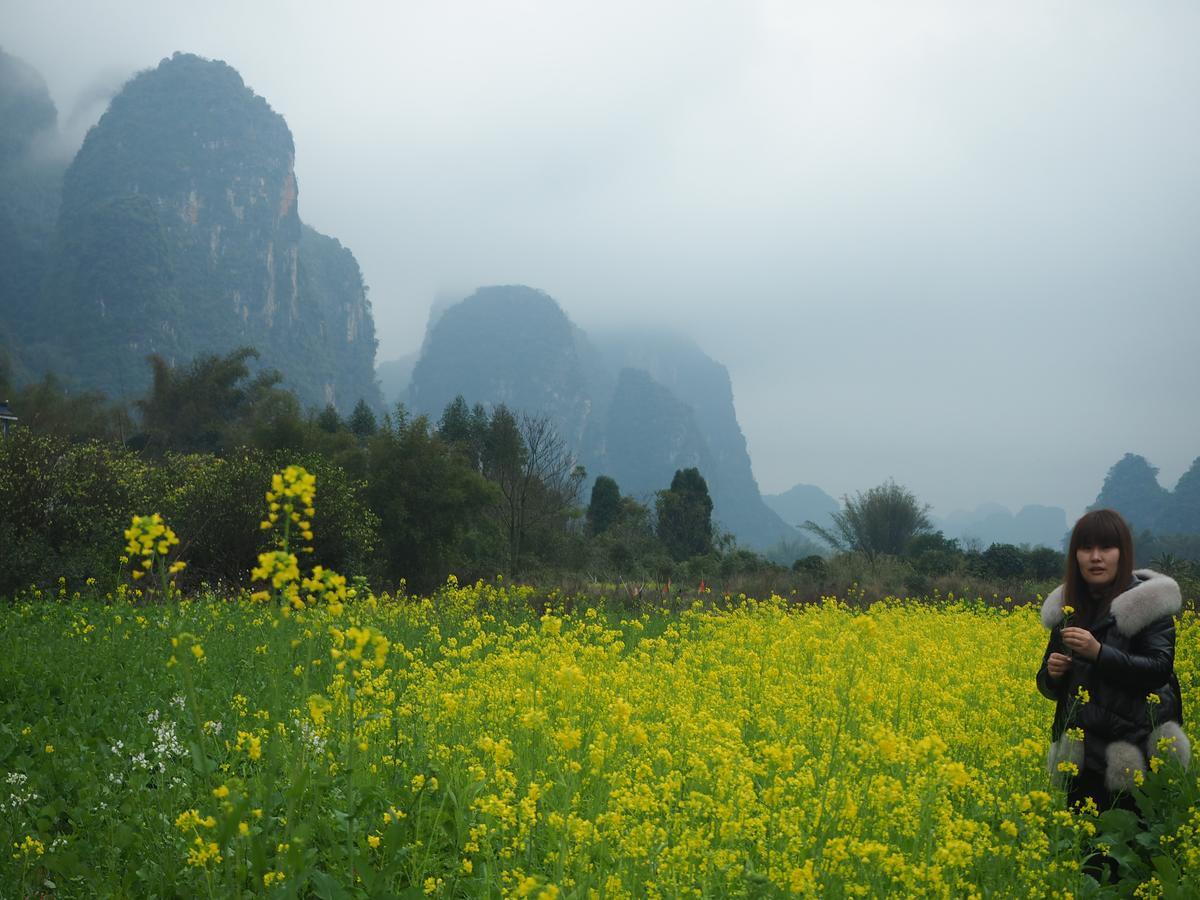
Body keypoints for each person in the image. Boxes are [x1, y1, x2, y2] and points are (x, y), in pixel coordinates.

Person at [1037, 508, 1190, 812]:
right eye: (1086, 548)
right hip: (1082, 761)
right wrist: (1053, 675)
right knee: (1084, 854)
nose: (1096, 557)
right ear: (1075, 556)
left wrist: (1099, 653)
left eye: (1106, 547)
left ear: (1123, 553)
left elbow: (1159, 670)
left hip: (1136, 757)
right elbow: (1048, 686)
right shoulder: (1069, 611)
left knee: (1131, 852)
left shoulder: (1149, 605)